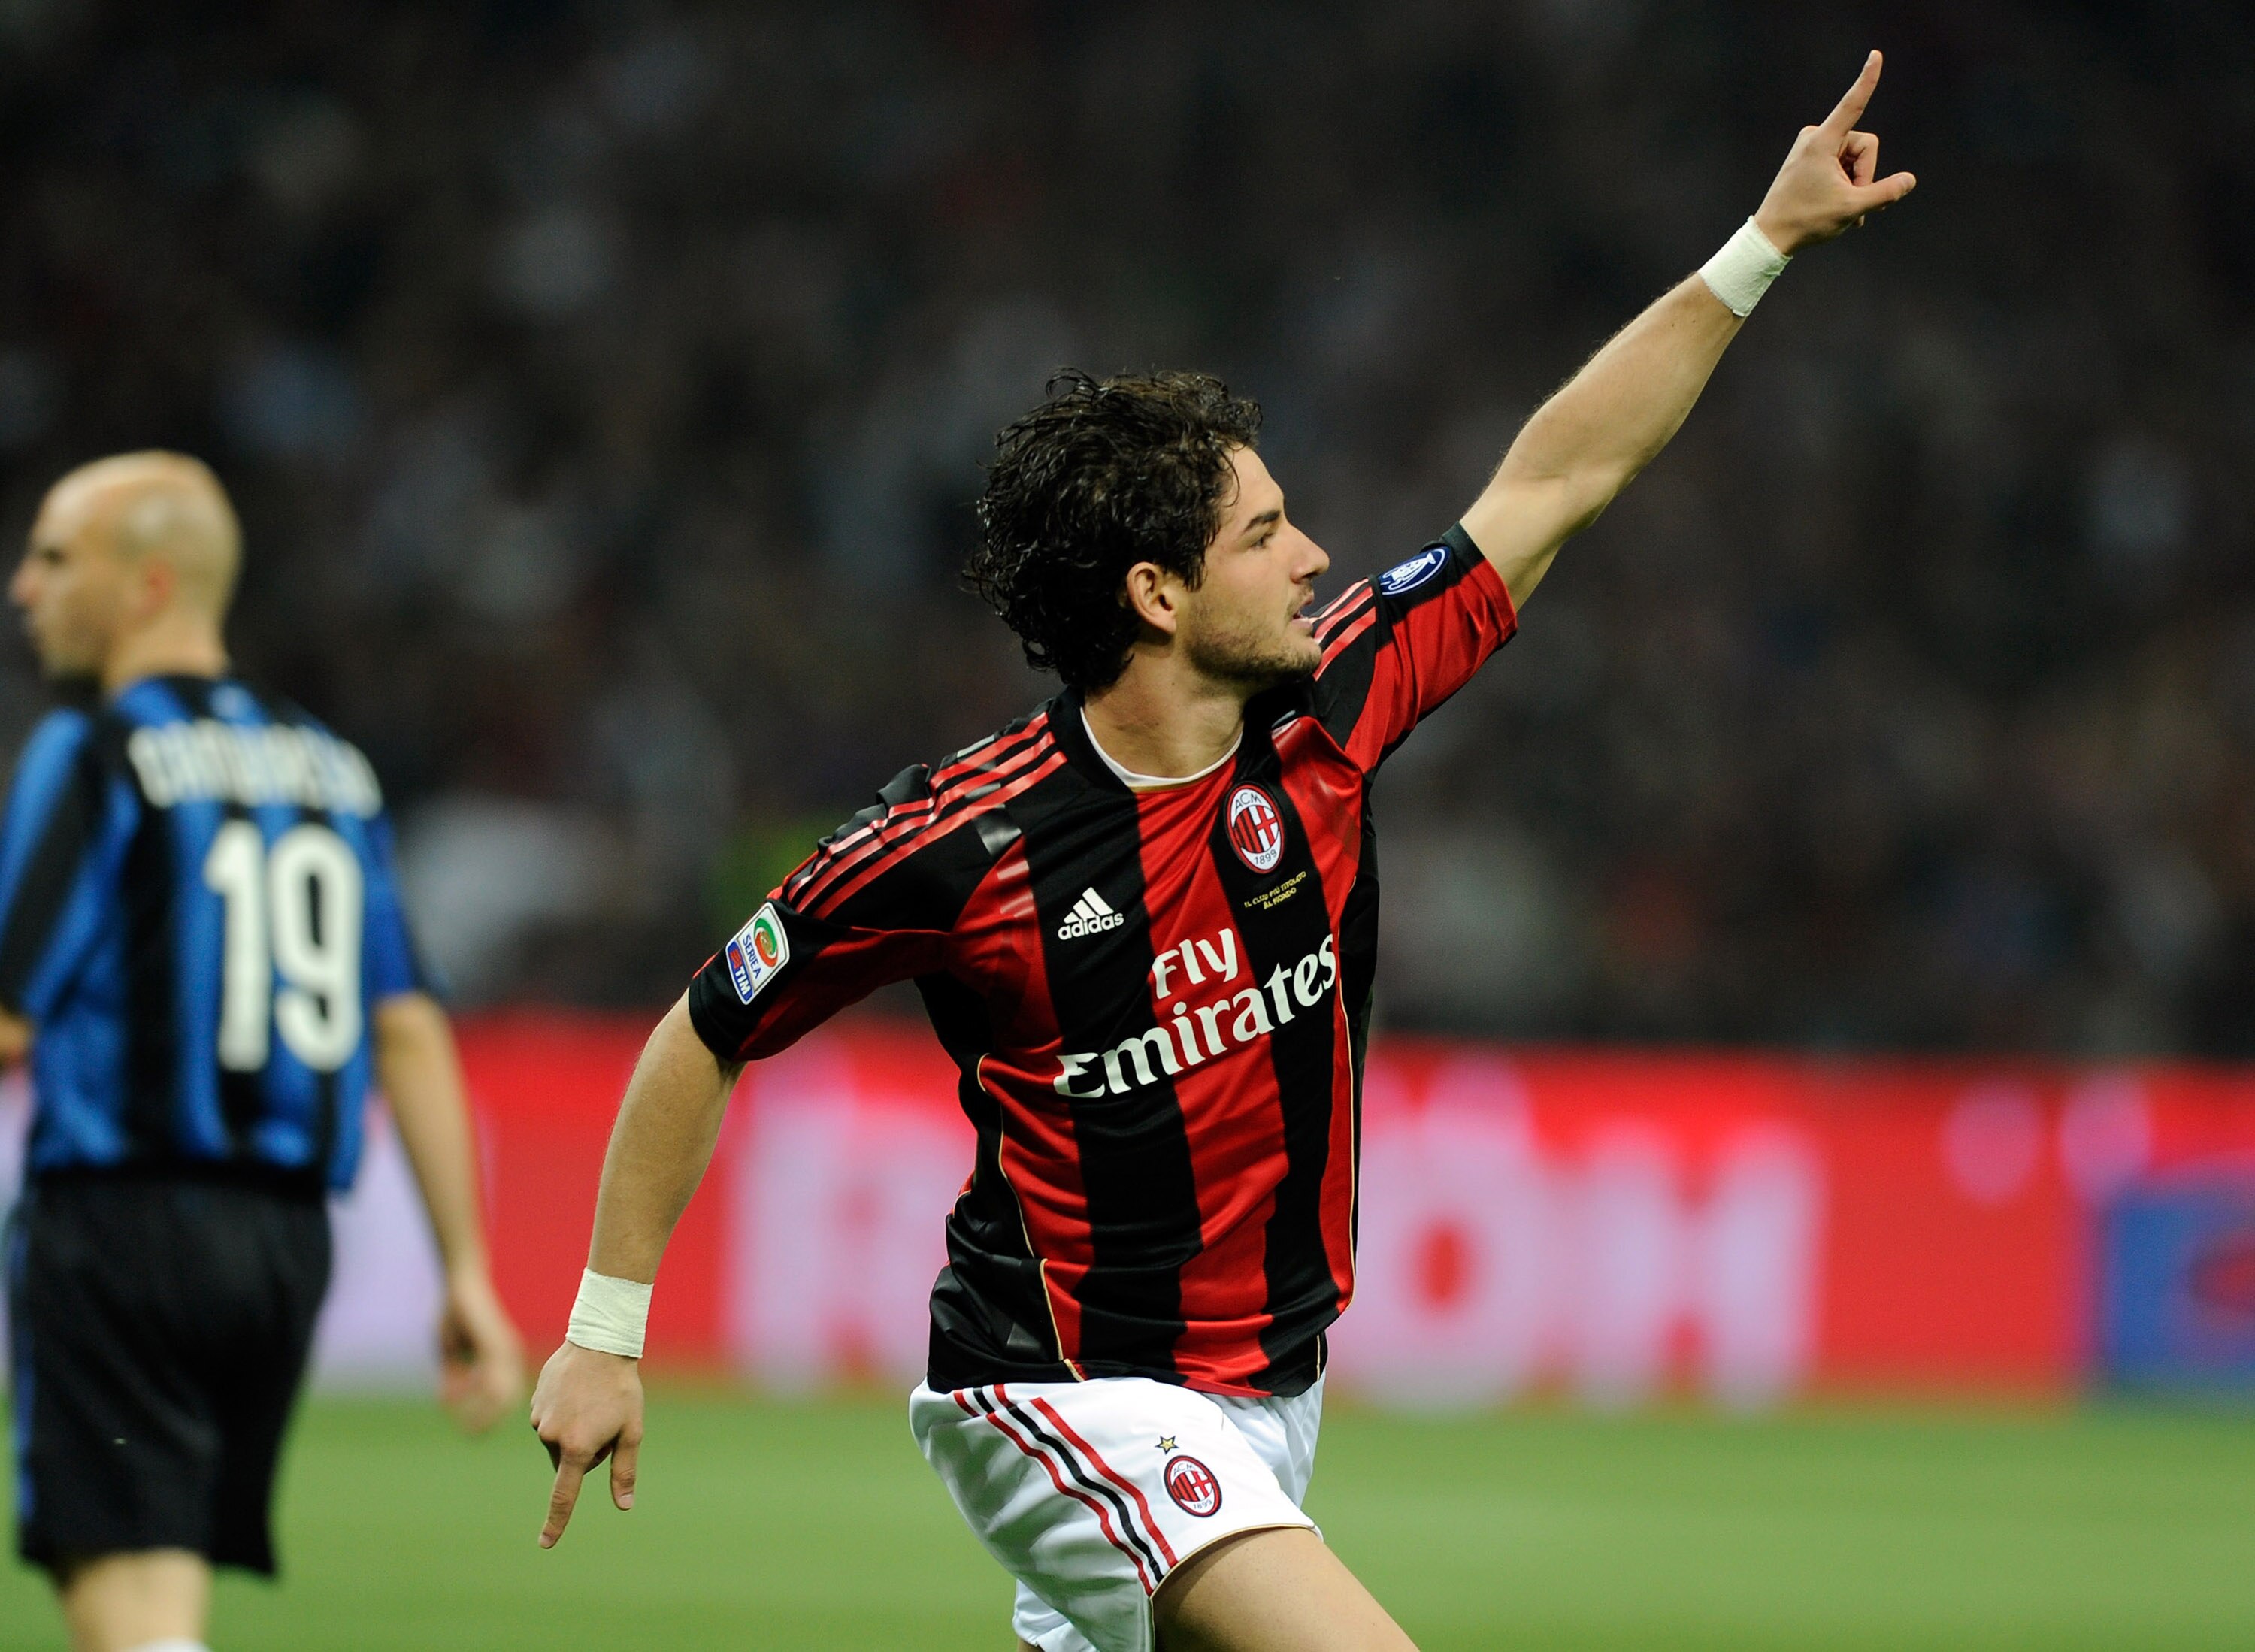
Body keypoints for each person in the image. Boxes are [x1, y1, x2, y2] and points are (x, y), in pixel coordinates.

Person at [531, 53, 1915, 1652]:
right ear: (1156, 597)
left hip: (1273, 1391)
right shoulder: (959, 843)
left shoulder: (1333, 709)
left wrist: (1762, 244)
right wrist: (606, 1330)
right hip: (1060, 1392)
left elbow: (1557, 477)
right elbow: (710, 1024)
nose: (1317, 551)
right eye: (1265, 534)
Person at [0, 452, 524, 1652]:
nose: (25, 588)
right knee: (163, 1593)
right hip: (283, 1250)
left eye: (54, 557)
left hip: (121, 1222)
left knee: (127, 1614)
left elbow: (10, 1014)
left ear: (148, 583)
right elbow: (405, 1023)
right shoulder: (332, 769)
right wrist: (466, 1269)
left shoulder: (92, 753)